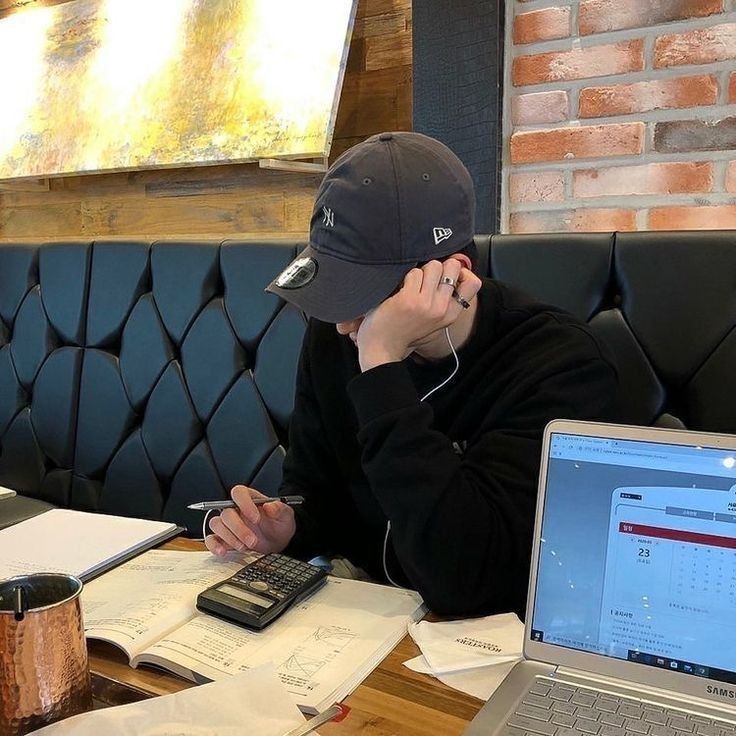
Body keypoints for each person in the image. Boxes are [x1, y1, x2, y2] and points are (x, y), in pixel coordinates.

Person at [205, 131, 620, 617]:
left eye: (362, 297)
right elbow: (316, 492)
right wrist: (288, 527)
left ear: (451, 275)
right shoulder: (335, 336)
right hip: (357, 612)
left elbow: (467, 580)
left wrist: (381, 365)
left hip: (483, 636)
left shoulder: (559, 367)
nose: (342, 324)